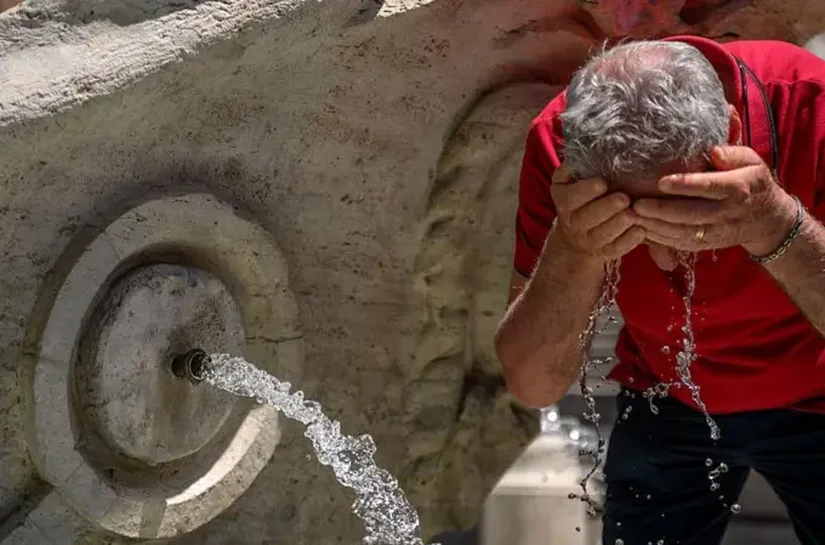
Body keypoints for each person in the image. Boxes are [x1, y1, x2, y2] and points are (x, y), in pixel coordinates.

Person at [493, 35, 825, 545]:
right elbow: (533, 383)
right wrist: (576, 248)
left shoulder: (810, 101)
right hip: (668, 394)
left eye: (686, 209)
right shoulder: (560, 146)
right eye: (631, 226)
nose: (664, 258)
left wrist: (775, 222)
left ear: (732, 134)